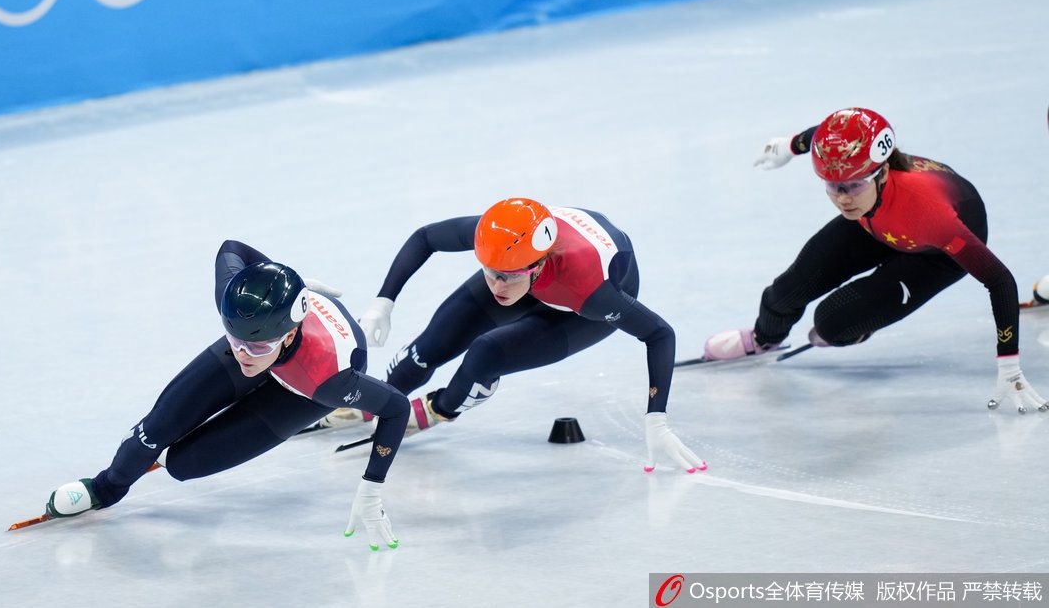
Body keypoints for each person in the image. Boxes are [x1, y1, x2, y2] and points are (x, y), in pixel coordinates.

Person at [42, 239, 410, 550]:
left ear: (288, 334)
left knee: (185, 464)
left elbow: (396, 408)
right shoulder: (243, 319)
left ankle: (167, 458)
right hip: (272, 331)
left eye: (255, 348)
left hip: (304, 389)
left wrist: (371, 485)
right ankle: (106, 488)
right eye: (234, 341)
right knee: (157, 427)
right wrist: (271, 276)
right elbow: (231, 248)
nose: (242, 356)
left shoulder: (330, 380)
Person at [317, 197, 705, 473]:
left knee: (486, 353)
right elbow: (425, 238)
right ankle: (373, 401)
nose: (497, 285)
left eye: (507, 276)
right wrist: (384, 301)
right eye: (489, 270)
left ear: (537, 265)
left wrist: (657, 418)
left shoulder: (592, 291)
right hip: (543, 278)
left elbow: (659, 334)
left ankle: (437, 410)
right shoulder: (501, 237)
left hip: (581, 309)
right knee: (431, 344)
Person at [703, 107, 1047, 413]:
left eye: (852, 185)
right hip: (877, 223)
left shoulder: (930, 213)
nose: (841, 199)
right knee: (787, 290)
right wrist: (790, 146)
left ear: (881, 172)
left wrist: (1009, 364)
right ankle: (764, 339)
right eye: (831, 185)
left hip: (934, 253)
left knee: (831, 324)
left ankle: (854, 327)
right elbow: (827, 135)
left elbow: (999, 280)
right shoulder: (854, 174)